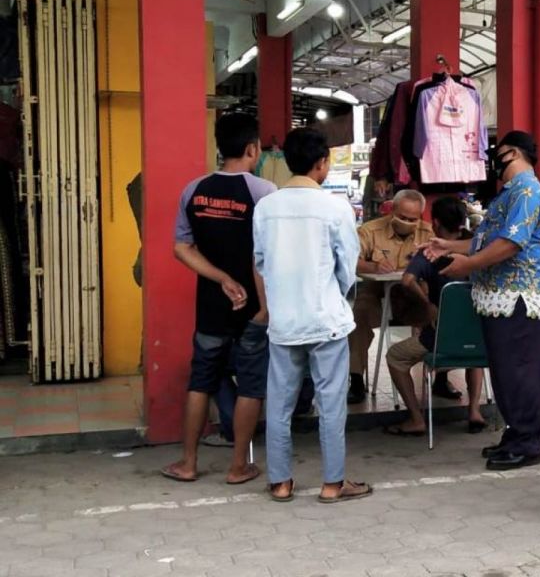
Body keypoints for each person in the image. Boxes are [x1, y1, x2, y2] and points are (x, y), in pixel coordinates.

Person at [253, 128, 371, 503]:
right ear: (323, 163)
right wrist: (336, 295)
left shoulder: (266, 207)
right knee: (331, 403)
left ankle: (280, 481)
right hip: (325, 320)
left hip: (284, 321)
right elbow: (347, 267)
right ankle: (332, 483)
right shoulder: (335, 208)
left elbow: (260, 261)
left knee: (280, 403)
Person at [426, 131, 540, 472]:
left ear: (512, 153)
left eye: (497, 154)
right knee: (507, 372)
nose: (493, 161)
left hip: (519, 296)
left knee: (521, 372)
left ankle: (527, 443)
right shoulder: (508, 194)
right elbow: (484, 241)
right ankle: (516, 436)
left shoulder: (527, 190)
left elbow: (510, 243)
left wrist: (468, 265)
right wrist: (448, 247)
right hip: (500, 297)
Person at [161, 112, 274, 484]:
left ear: (219, 147)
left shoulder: (193, 190)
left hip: (210, 306)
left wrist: (220, 278)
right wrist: (265, 307)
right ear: (251, 148)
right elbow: (264, 255)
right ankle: (239, 465)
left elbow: (182, 248)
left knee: (201, 381)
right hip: (253, 309)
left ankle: (189, 463)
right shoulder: (262, 192)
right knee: (251, 384)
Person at [384, 197, 485, 436]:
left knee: (395, 357)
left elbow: (407, 281)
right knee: (473, 353)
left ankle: (417, 419)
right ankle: (474, 411)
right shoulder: (482, 250)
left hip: (440, 339)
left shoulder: (430, 252)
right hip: (479, 341)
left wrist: (428, 306)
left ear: (435, 223)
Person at [349, 190, 435, 404]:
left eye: (412, 219)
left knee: (439, 311)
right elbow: (351, 259)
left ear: (421, 217)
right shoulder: (370, 230)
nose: (406, 222)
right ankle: (356, 378)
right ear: (392, 211)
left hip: (414, 294)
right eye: (402, 217)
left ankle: (441, 375)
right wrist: (373, 266)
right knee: (358, 314)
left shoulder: (429, 233)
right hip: (376, 293)